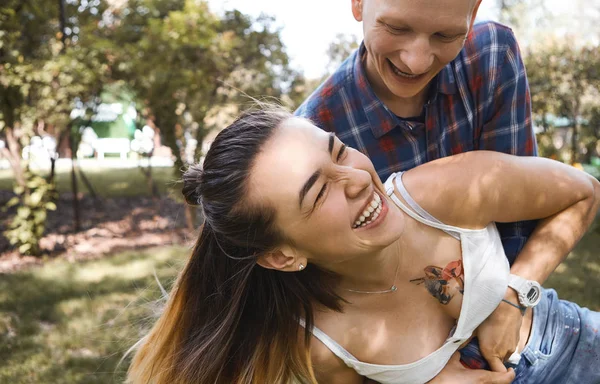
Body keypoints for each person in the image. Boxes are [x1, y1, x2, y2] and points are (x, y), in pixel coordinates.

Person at [126, 107, 600, 384]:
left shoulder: (443, 192)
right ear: (282, 256)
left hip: (575, 348)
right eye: (318, 192)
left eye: (337, 151)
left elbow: (583, 190)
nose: (355, 178)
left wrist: (514, 294)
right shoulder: (319, 343)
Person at [294, 0, 541, 373]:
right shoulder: (314, 137)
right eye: (396, 29)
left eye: (445, 35)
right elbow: (323, 301)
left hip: (531, 325)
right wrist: (430, 372)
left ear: (472, 14)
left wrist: (513, 296)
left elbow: (525, 213)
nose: (416, 61)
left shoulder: (491, 56)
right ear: (358, 4)